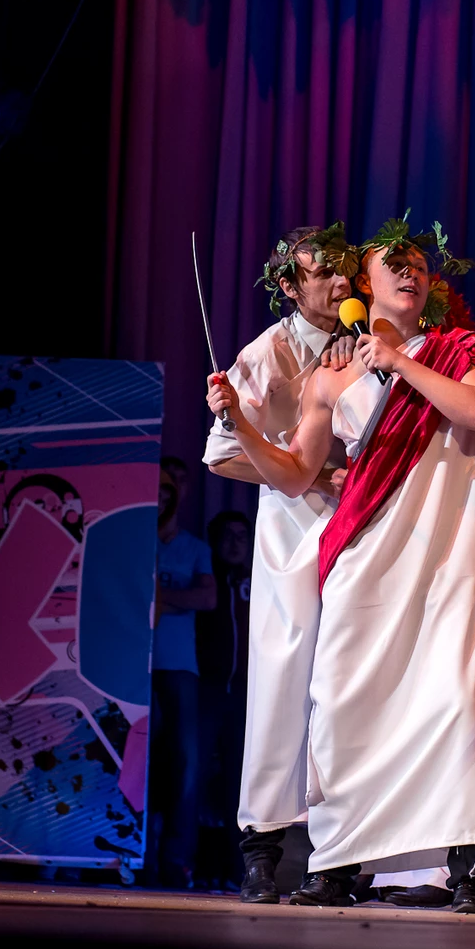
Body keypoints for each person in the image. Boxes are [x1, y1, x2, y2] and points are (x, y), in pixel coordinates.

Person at [208, 217, 475, 914]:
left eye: (418, 266)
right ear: (363, 288)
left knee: (450, 702)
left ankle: (467, 869)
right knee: (341, 705)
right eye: (392, 265)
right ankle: (337, 863)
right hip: (358, 561)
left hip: (437, 562)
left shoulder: (456, 351)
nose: (409, 273)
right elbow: (294, 474)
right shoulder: (331, 375)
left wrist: (400, 364)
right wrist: (241, 425)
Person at [200, 224, 354, 902]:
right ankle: (261, 847)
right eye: (322, 274)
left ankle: (345, 851)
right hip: (292, 532)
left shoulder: (364, 338)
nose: (340, 282)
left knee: (347, 684)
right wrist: (310, 476)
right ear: (289, 286)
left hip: (360, 526)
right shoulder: (268, 353)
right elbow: (221, 454)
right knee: (282, 682)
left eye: (344, 269)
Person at [149, 459, 216, 888]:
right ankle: (133, 852)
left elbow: (207, 599)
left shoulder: (194, 547)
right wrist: (174, 599)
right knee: (137, 762)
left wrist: (161, 599)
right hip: (132, 666)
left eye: (169, 491)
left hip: (179, 666)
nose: (163, 500)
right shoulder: (134, 540)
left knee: (185, 765)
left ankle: (176, 859)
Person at [194, 509, 253, 889]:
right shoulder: (204, 579)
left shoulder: (258, 580)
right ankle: (188, 868)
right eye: (227, 535)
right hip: (205, 690)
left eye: (241, 536)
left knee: (239, 785)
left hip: (245, 697)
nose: (234, 543)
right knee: (192, 777)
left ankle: (237, 871)